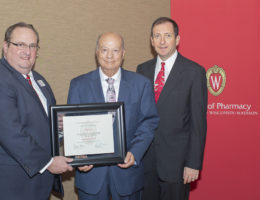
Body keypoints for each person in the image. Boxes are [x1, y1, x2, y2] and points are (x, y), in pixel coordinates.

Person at [0, 22, 73, 200]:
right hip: (1, 186)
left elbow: (40, 126)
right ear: (5, 46)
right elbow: (12, 134)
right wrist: (49, 162)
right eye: (20, 44)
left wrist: (60, 127)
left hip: (33, 185)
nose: (27, 51)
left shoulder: (40, 81)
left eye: (32, 45)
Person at [67, 32, 159, 200]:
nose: (109, 56)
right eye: (104, 50)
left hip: (128, 174)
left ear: (123, 53)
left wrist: (135, 151)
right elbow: (72, 126)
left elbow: (149, 122)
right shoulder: (78, 85)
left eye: (115, 50)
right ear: (96, 52)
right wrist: (79, 157)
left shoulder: (141, 84)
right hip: (91, 176)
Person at [136, 17, 208, 200]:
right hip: (146, 162)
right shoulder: (142, 70)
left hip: (177, 164)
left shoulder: (194, 72)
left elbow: (198, 123)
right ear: (151, 41)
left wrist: (193, 163)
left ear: (177, 39)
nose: (162, 41)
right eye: (157, 36)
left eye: (167, 35)